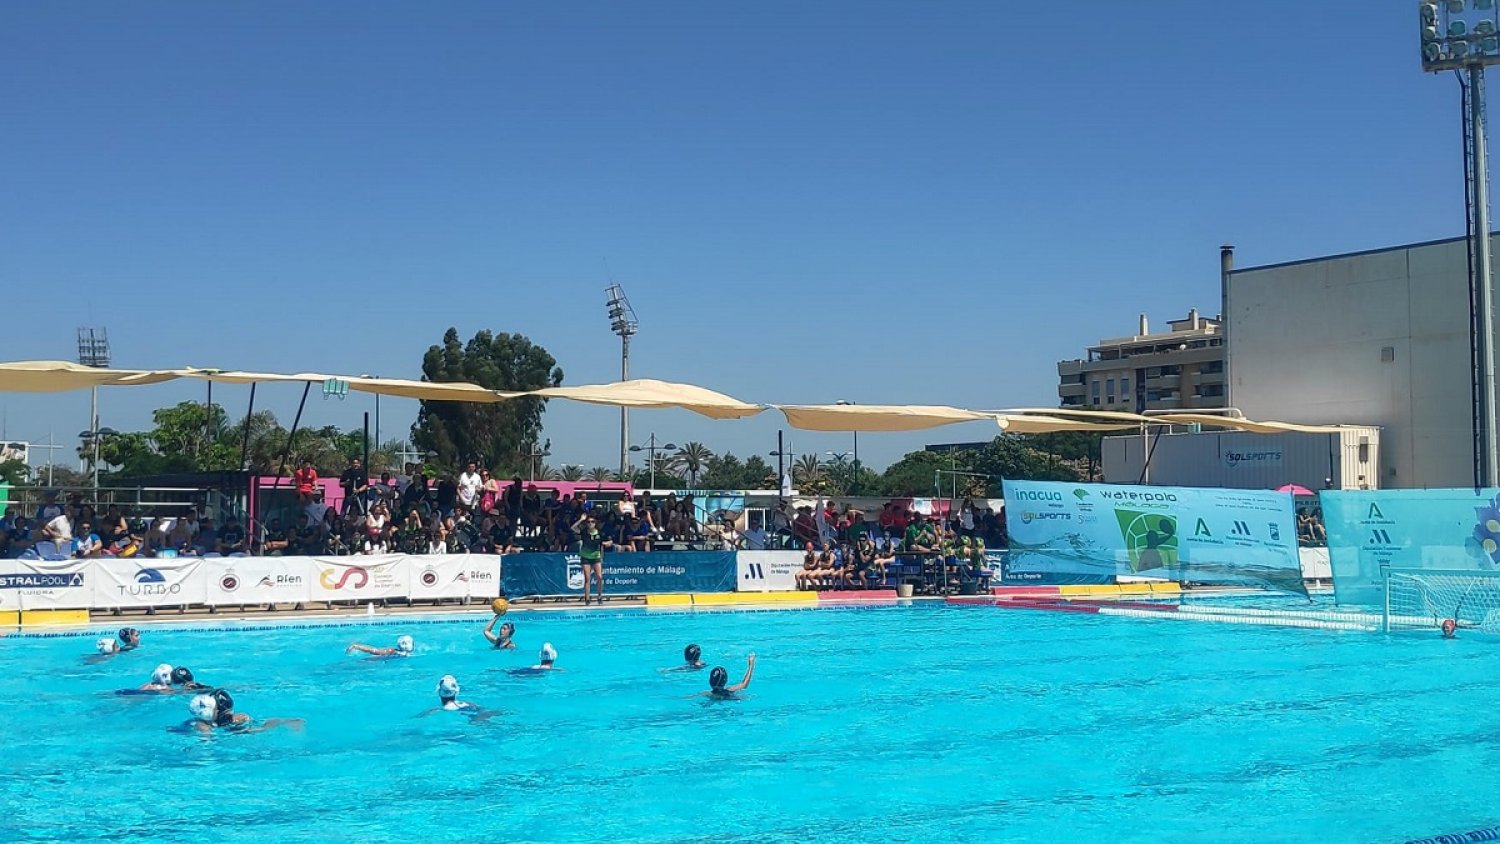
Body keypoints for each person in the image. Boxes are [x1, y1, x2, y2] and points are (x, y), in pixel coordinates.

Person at [186, 688, 303, 734]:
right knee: (257, 729)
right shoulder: (201, 726)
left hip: (223, 732)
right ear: (208, 713)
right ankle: (286, 722)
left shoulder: (207, 722)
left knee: (257, 726)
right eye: (224, 712)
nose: (230, 714)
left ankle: (286, 722)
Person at [574, 513, 612, 605]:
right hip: (585, 557)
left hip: (596, 557)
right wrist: (581, 520)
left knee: (599, 577)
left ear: (595, 523)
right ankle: (587, 598)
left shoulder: (600, 533)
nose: (590, 523)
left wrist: (607, 543)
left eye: (592, 522)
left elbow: (610, 541)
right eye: (588, 522)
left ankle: (599, 596)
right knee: (587, 578)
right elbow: (573, 528)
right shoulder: (584, 532)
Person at [346, 635, 414, 658]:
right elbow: (374, 650)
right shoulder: (392, 651)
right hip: (371, 662)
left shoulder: (407, 653)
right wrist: (356, 646)